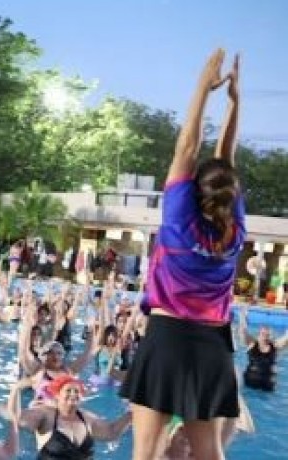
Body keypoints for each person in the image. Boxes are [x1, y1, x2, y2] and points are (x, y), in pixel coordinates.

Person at [119, 49, 244, 460]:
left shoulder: (178, 222)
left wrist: (203, 89)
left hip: (167, 338)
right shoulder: (234, 233)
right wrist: (234, 104)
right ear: (230, 195)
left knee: (146, 453)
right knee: (209, 454)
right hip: (212, 347)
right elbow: (226, 163)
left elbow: (187, 145)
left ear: (192, 191)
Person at [9, 375, 132, 458]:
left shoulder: (86, 418)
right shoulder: (46, 415)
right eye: (68, 391)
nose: (73, 394)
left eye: (77, 391)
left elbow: (111, 432)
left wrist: (133, 413)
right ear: (57, 395)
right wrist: (16, 389)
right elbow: (16, 418)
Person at [237, 305, 288, 391]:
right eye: (263, 334)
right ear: (259, 335)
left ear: (270, 336)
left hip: (267, 386)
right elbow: (242, 332)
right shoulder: (252, 344)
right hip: (250, 385)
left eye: (267, 335)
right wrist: (243, 317)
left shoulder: (274, 346)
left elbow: (286, 338)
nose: (265, 337)